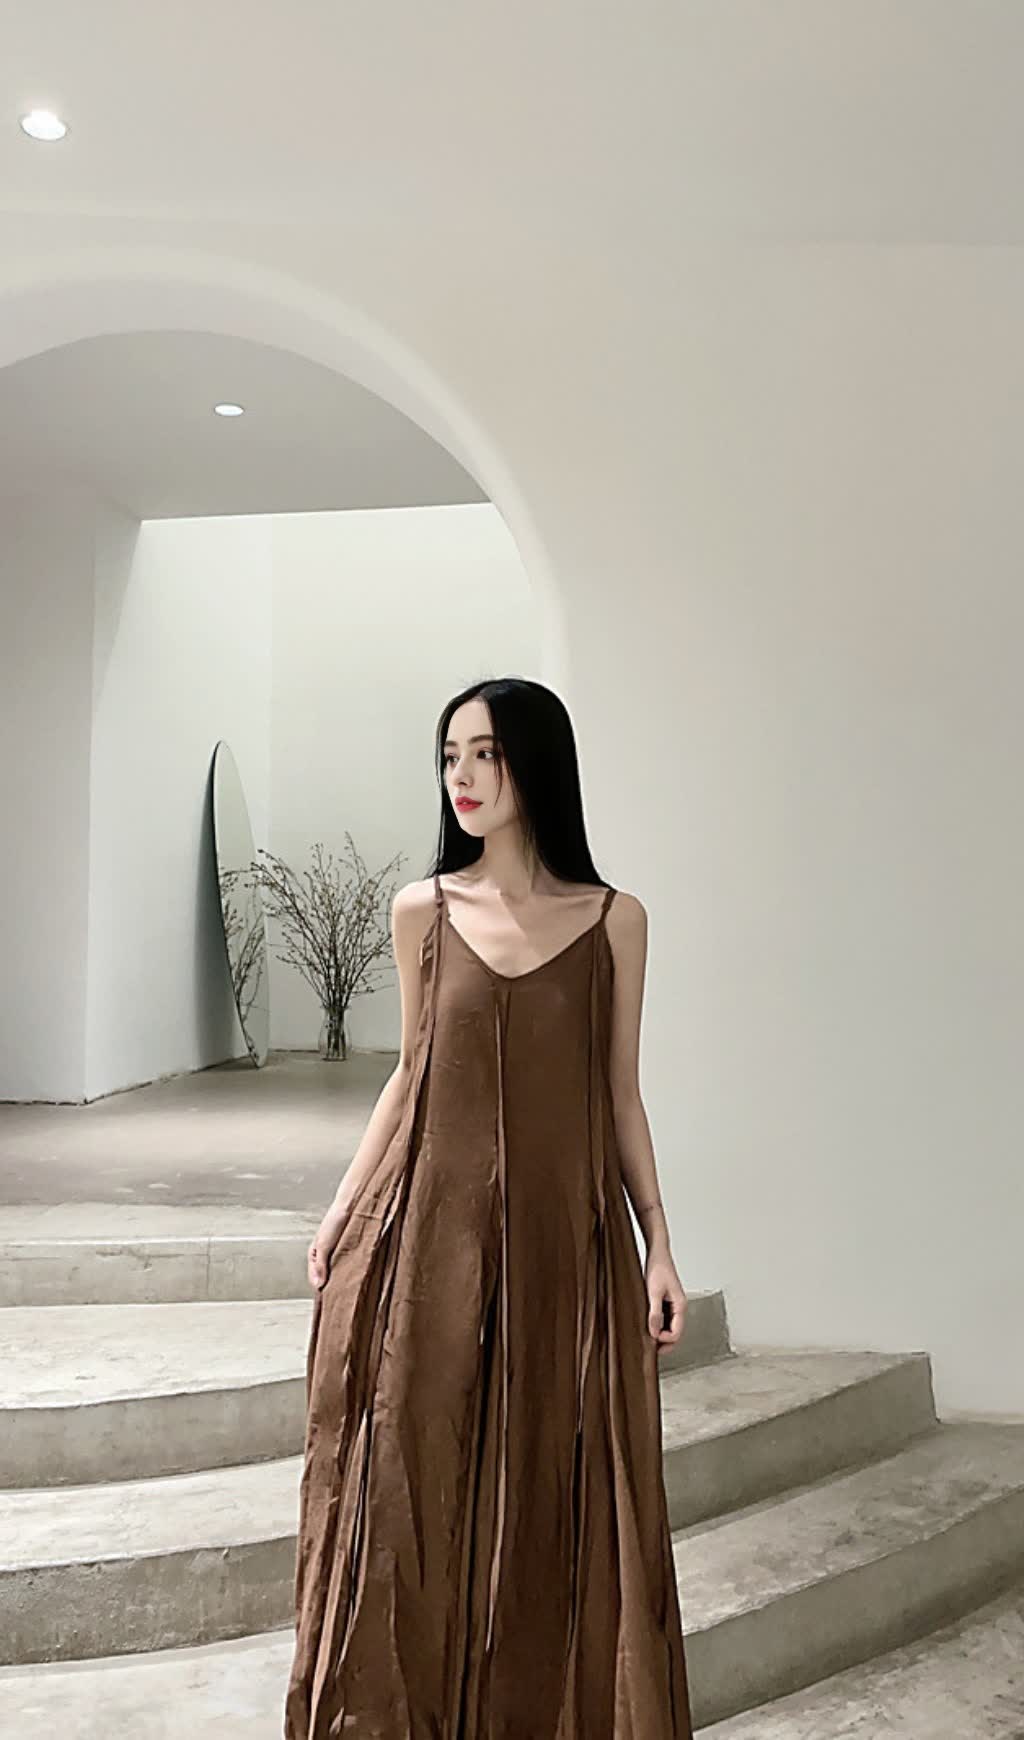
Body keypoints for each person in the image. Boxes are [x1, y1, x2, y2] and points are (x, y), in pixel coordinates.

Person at [284, 675, 694, 1738]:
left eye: (486, 754)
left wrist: (658, 1244)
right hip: (435, 1236)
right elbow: (409, 1075)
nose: (461, 777)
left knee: (560, 1489)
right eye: (450, 756)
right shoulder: (421, 911)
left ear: (535, 764)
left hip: (567, 1244)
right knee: (418, 1475)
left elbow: (620, 1093)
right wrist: (340, 1211)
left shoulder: (614, 920)